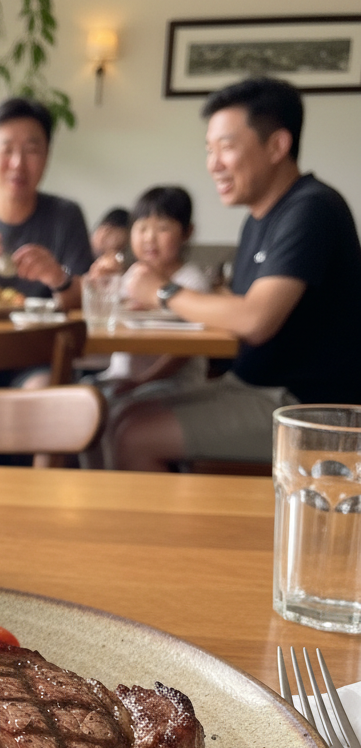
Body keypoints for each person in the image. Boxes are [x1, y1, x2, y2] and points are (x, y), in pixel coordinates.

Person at [114, 76, 361, 471]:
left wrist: (163, 292)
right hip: (254, 389)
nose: (213, 164)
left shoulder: (312, 210)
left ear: (278, 145)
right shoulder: (260, 218)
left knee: (132, 435)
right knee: (121, 412)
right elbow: (235, 305)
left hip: (305, 408)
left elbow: (255, 319)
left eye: (226, 148)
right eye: (209, 150)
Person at [0, 97, 93, 312]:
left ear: (46, 158)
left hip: (39, 342)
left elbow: (86, 303)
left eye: (31, 150)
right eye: (6, 149)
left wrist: (58, 277)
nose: (18, 163)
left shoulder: (66, 216)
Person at [94, 185, 212, 393]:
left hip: (175, 384)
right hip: (122, 377)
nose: (149, 237)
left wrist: (143, 381)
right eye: (142, 228)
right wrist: (100, 282)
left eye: (162, 228)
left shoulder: (191, 282)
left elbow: (185, 351)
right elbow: (103, 315)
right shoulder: (132, 275)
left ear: (187, 232)